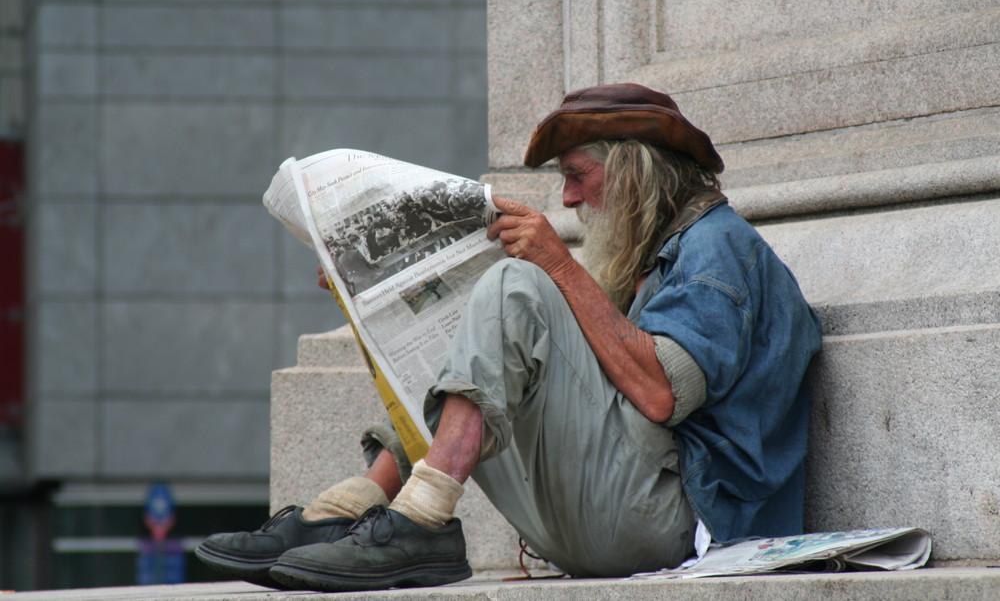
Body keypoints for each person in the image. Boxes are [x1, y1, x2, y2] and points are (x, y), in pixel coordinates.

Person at [195, 83, 823, 592]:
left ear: (632, 171)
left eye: (577, 176)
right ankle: (350, 510)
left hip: (682, 523)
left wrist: (558, 267)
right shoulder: (657, 250)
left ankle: (424, 515)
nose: (569, 198)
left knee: (515, 287)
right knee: (482, 299)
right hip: (619, 508)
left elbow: (660, 394)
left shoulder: (718, 249)